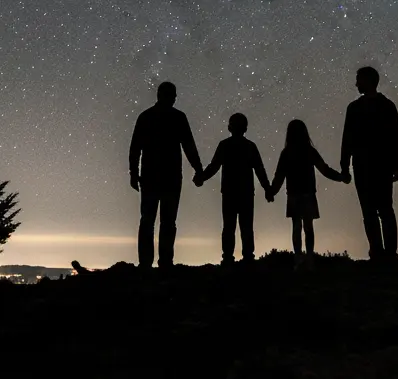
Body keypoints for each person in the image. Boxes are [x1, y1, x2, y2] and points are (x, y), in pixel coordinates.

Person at [129, 81, 203, 269]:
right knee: (165, 221)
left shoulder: (146, 117)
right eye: (173, 95)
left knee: (150, 221)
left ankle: (148, 263)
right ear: (167, 96)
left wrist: (133, 172)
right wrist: (198, 169)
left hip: (152, 177)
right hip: (168, 177)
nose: (175, 98)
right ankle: (164, 262)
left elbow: (135, 148)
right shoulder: (177, 117)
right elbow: (189, 146)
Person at [340, 65, 398, 261]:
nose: (356, 83)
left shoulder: (356, 108)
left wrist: (345, 164)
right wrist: (397, 164)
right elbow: (396, 137)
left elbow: (347, 139)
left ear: (367, 81)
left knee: (372, 211)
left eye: (358, 79)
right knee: (384, 209)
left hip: (366, 166)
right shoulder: (387, 106)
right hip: (380, 165)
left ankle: (379, 252)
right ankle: (387, 253)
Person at [267, 119, 347, 263]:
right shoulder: (309, 151)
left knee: (297, 227)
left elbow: (279, 176)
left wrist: (272, 191)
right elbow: (325, 169)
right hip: (308, 194)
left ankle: (298, 259)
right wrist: (340, 177)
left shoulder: (287, 153)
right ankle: (309, 258)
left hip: (294, 195)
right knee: (308, 227)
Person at [195, 113, 271, 264]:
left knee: (229, 226)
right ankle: (248, 257)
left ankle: (228, 257)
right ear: (245, 128)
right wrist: (268, 189)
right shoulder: (250, 146)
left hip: (229, 193)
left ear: (230, 127)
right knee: (246, 226)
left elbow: (214, 166)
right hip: (246, 193)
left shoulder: (225, 145)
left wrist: (201, 177)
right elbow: (260, 170)